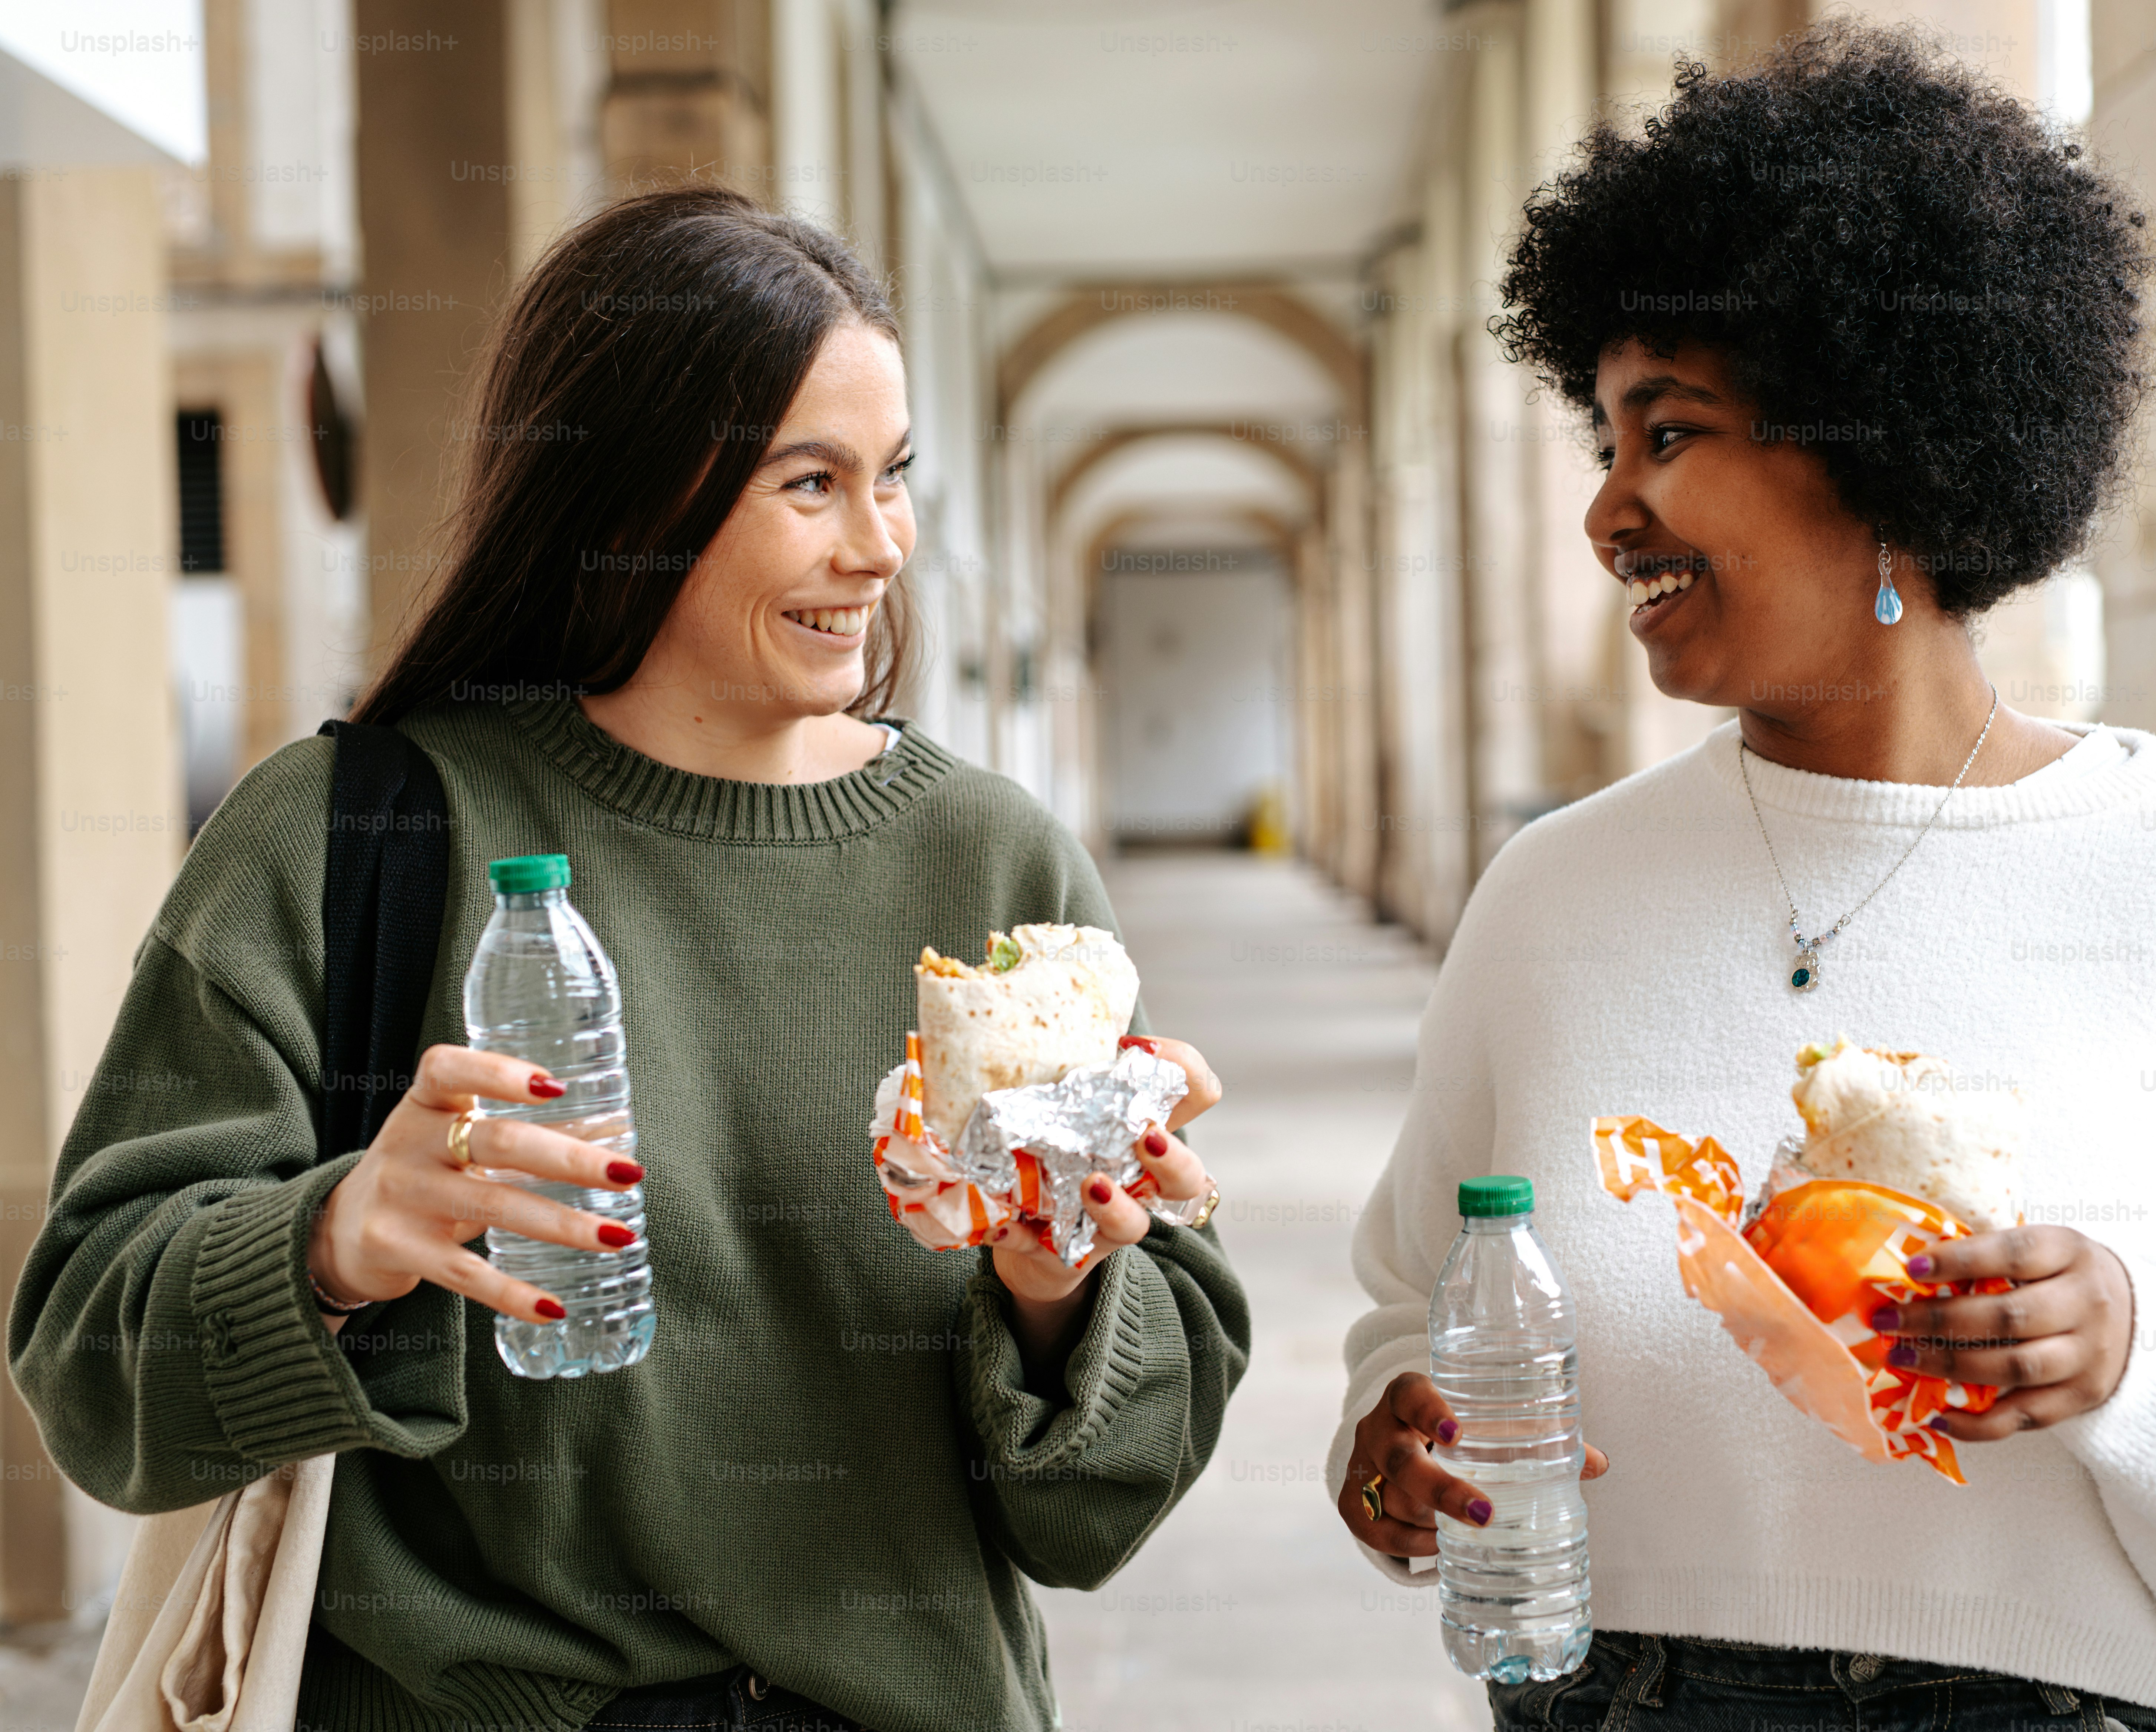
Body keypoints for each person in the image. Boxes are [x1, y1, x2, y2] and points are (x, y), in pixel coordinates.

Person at [1328, 22, 2156, 1732]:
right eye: (1604, 441)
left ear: (1884, 443)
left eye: (1670, 433)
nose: (1609, 511)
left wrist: (2137, 1353)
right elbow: (1406, 1303)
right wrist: (1398, 1432)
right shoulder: (1552, 898)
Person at [11, 186, 1246, 1732]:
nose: (882, 546)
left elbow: (1099, 1510)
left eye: (896, 477)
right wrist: (336, 1237)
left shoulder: (996, 871)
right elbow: (87, 1371)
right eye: (813, 483)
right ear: (639, 494)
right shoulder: (350, 837)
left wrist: (1057, 1285)